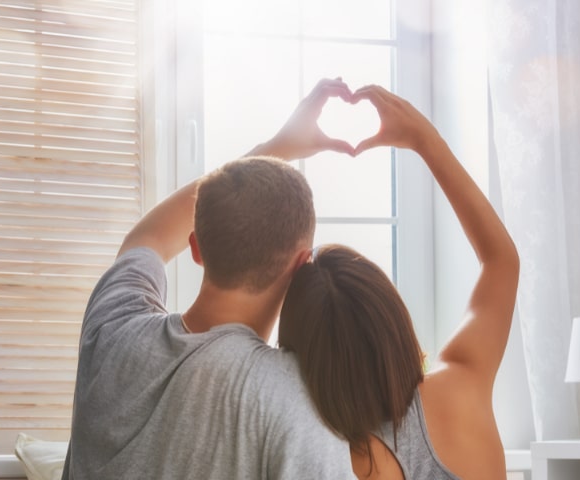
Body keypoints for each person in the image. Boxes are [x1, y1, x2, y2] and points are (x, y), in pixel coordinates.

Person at [61, 79, 359, 479]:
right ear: (303, 264)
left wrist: (276, 147)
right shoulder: (293, 404)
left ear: (196, 247)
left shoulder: (112, 326)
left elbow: (146, 238)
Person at [279, 86, 520, 480]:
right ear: (391, 318)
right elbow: (502, 262)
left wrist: (276, 148)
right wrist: (426, 142)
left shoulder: (329, 456)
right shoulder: (461, 391)